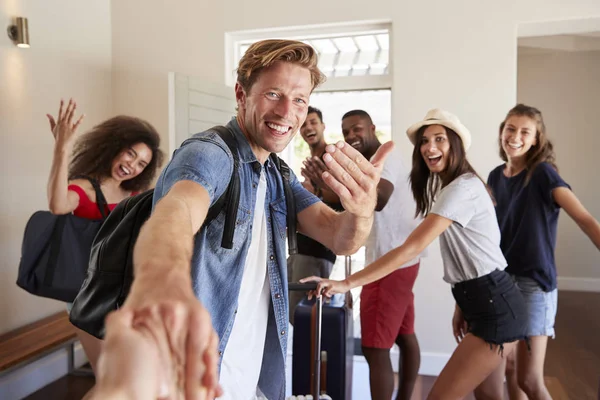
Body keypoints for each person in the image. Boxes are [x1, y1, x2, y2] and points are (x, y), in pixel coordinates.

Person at [122, 39, 393, 400]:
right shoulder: (209, 153)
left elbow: (340, 237)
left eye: (299, 100)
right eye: (273, 94)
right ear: (241, 94)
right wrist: (161, 270)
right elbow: (180, 208)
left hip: (252, 375)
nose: (286, 112)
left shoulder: (278, 174)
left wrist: (360, 208)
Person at [302, 108, 529, 400]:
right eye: (424, 141)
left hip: (496, 307)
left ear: (455, 144)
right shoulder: (450, 186)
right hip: (484, 302)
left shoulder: (462, 189)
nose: (429, 148)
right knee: (488, 395)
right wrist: (463, 305)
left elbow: (411, 246)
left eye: (439, 139)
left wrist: (346, 283)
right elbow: (477, 256)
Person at [474, 104, 600, 400]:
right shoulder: (495, 176)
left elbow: (584, 219)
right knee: (509, 368)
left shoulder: (542, 174)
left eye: (524, 132)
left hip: (534, 285)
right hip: (503, 283)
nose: (515, 137)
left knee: (530, 380)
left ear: (535, 139)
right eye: (510, 129)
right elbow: (489, 234)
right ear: (502, 132)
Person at [46, 98, 164, 374]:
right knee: (107, 376)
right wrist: (62, 147)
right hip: (85, 294)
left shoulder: (135, 197)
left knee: (123, 376)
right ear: (114, 148)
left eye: (142, 163)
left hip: (122, 294)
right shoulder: (84, 189)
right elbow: (57, 204)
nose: (133, 165)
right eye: (130, 154)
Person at [340, 109, 425, 400]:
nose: (352, 136)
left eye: (357, 129)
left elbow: (380, 199)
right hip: (403, 260)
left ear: (372, 128)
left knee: (374, 348)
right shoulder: (375, 161)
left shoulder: (384, 158)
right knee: (404, 335)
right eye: (346, 132)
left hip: (387, 264)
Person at [288, 105, 342, 323]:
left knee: (301, 315)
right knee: (291, 309)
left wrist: (315, 191)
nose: (308, 128)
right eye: (304, 124)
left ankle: (311, 358)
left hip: (318, 249)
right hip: (301, 245)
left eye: (313, 122)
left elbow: (342, 197)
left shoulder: (332, 158)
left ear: (322, 126)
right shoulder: (311, 159)